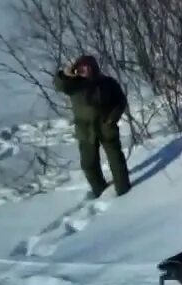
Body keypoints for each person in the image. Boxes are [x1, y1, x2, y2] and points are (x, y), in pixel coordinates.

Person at [53, 54, 131, 199]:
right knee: (88, 163)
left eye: (89, 66)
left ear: (94, 67)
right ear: (78, 68)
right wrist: (65, 73)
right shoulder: (74, 84)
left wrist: (112, 118)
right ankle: (100, 190)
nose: (86, 69)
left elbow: (120, 101)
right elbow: (59, 85)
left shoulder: (107, 82)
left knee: (115, 159)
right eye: (82, 66)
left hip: (106, 125)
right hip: (85, 129)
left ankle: (124, 191)